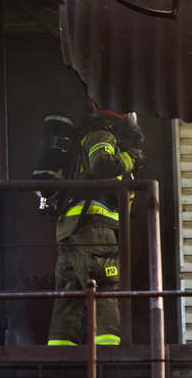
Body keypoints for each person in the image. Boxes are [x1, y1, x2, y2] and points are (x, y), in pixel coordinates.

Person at [34, 101, 145, 346]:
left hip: (70, 228)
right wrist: (133, 157)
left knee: (69, 296)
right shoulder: (102, 134)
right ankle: (109, 355)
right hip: (92, 226)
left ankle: (61, 354)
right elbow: (103, 166)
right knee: (106, 286)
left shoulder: (82, 139)